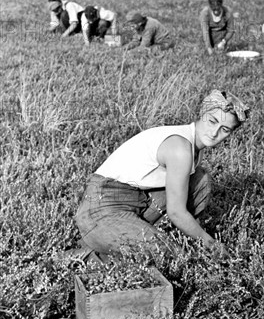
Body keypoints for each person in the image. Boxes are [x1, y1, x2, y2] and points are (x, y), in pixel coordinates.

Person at [75, 90, 250, 259]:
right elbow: (176, 212)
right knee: (166, 253)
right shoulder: (180, 147)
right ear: (202, 113)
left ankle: (125, 241)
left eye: (225, 129)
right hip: (102, 206)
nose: (214, 133)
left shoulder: (193, 145)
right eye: (212, 121)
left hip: (137, 200)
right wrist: (211, 244)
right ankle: (83, 255)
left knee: (200, 180)